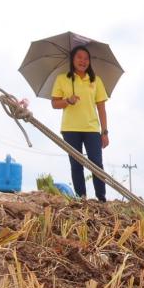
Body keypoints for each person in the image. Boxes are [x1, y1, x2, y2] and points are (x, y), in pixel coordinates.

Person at [50, 45, 110, 201]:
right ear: (72, 59)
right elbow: (55, 104)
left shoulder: (96, 80)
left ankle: (101, 198)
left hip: (91, 128)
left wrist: (105, 132)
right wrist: (68, 101)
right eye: (79, 57)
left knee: (96, 163)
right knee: (76, 164)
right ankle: (81, 197)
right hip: (70, 129)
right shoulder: (62, 79)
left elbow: (102, 109)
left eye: (86, 58)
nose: (83, 61)